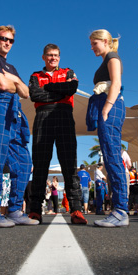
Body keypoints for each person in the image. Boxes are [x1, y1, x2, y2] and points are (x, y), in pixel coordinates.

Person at [0, 25, 38, 228]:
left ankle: (14, 210)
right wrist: (15, 83)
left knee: (24, 163)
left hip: (14, 111)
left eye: (10, 40)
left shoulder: (11, 68)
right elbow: (2, 86)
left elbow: (26, 92)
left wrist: (12, 78)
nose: (6, 43)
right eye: (3, 38)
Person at [27, 44, 87, 225]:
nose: (53, 58)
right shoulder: (35, 75)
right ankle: (35, 210)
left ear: (59, 58)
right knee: (40, 165)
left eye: (56, 56)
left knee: (69, 164)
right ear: (44, 57)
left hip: (64, 117)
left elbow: (72, 88)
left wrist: (50, 88)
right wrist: (59, 91)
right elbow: (35, 95)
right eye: (50, 55)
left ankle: (76, 209)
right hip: (43, 118)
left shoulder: (69, 72)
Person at [86, 29, 128, 227]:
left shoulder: (112, 56)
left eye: (94, 43)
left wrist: (106, 109)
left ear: (104, 41)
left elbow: (116, 83)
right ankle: (119, 210)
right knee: (110, 158)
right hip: (105, 106)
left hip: (110, 107)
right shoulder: (105, 59)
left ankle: (120, 211)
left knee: (112, 158)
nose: (92, 47)